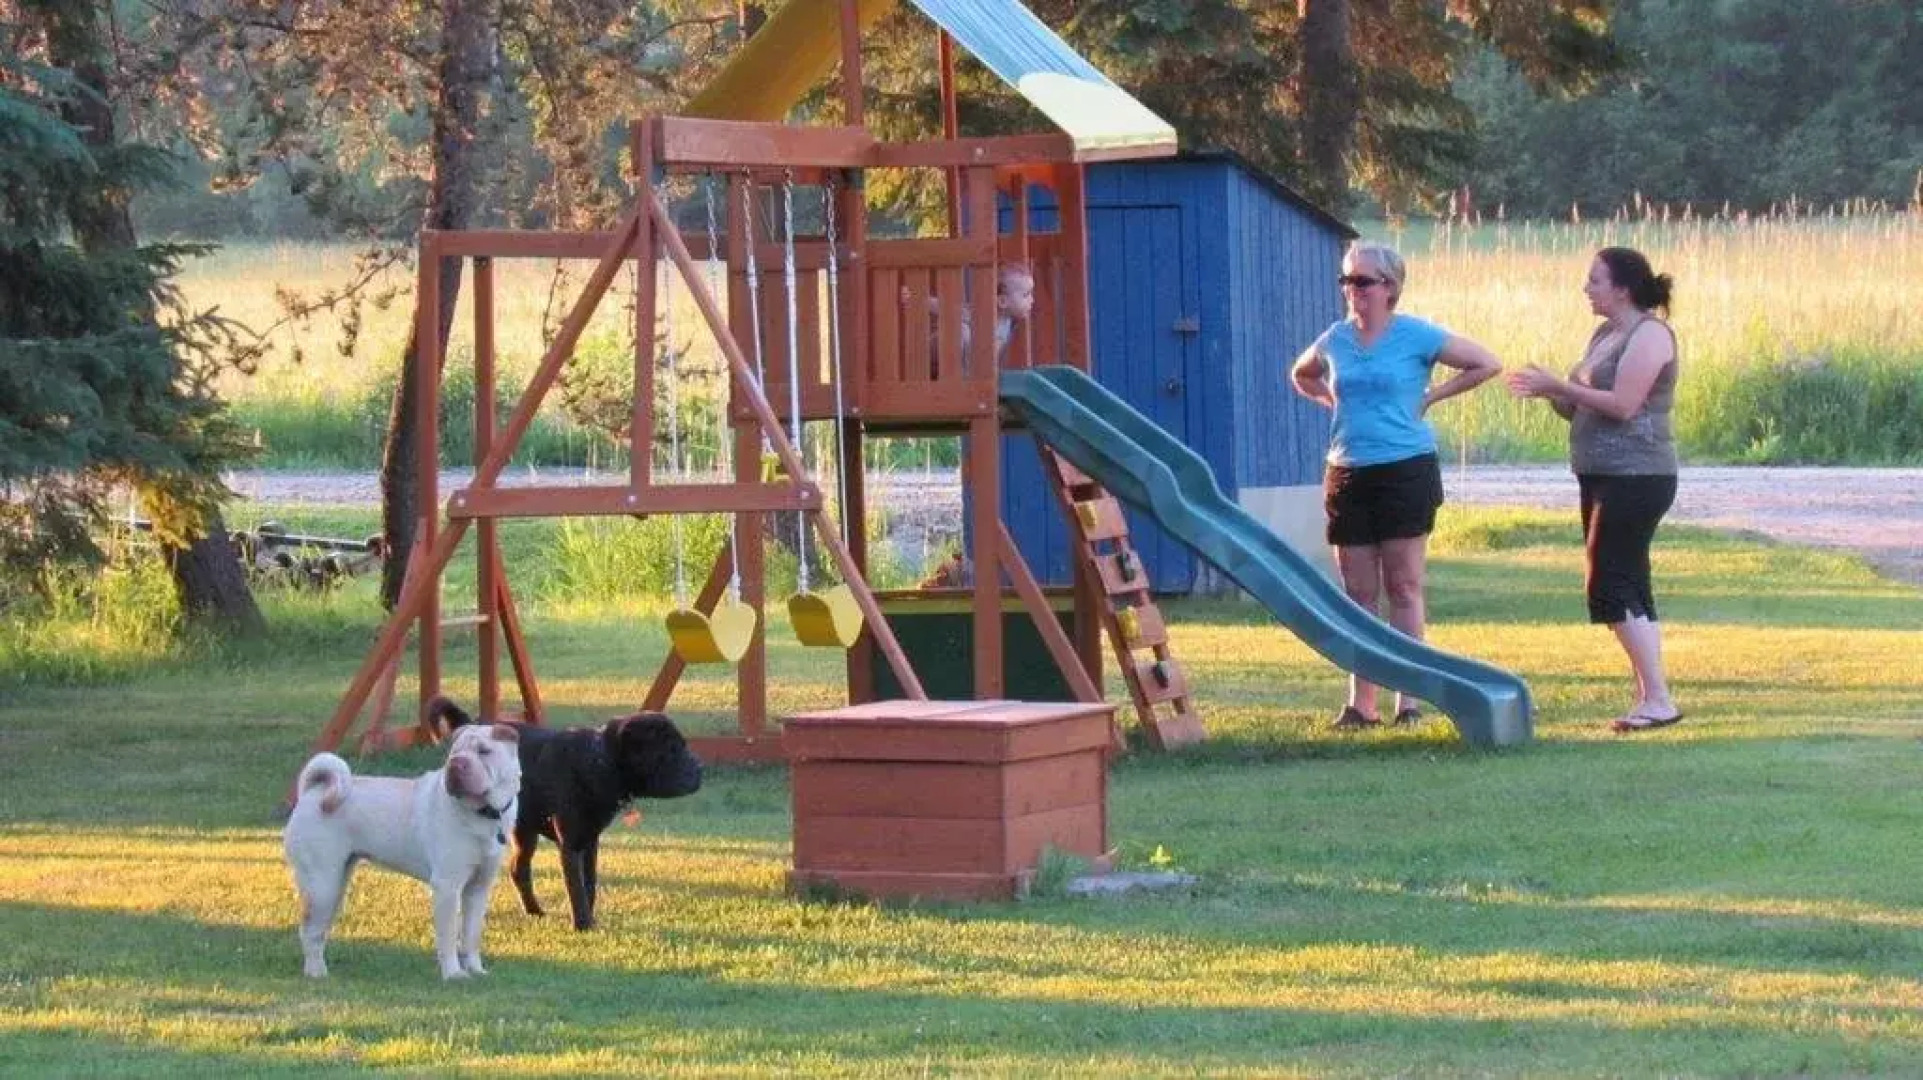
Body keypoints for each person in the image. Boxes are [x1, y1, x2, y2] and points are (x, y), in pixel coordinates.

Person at [1290, 241, 1503, 730]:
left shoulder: (1415, 335)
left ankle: (1410, 699)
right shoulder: (1336, 338)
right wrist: (1330, 402)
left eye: (1362, 282)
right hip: (1348, 470)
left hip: (1405, 468)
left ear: (1390, 287)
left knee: (1403, 586)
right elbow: (1301, 373)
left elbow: (1486, 363)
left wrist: (1432, 396)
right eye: (1346, 281)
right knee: (1358, 592)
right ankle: (1360, 703)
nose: (1352, 290)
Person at [1506, 247, 1682, 733]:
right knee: (1627, 583)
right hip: (1601, 474)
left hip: (1638, 476)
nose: (1587, 289)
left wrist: (1563, 387)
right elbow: (1584, 404)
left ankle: (1660, 698)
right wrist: (1552, 392)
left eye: (1595, 281)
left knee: (1608, 582)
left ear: (1623, 289)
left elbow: (1624, 405)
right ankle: (1649, 695)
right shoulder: (1606, 334)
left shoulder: (1650, 334)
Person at [910, 262, 1035, 373]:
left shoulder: (1008, 322)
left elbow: (990, 356)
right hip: (929, 355)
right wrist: (915, 298)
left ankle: (965, 378)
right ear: (1002, 301)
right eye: (1026, 295)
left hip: (955, 363)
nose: (1032, 300)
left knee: (979, 349)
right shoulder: (981, 313)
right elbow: (945, 308)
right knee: (962, 331)